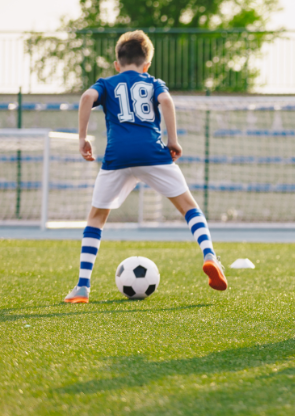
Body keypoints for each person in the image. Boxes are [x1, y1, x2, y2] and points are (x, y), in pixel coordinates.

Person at [63, 31, 226, 303]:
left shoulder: (107, 83)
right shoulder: (153, 83)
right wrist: (173, 140)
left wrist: (82, 139)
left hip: (117, 157)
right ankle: (209, 255)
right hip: (153, 153)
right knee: (189, 208)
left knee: (95, 219)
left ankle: (82, 287)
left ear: (117, 63)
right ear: (146, 64)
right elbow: (166, 102)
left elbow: (85, 98)